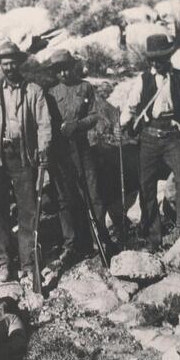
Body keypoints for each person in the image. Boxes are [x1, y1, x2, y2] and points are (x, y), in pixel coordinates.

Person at [119, 34, 180, 249]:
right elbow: (130, 107)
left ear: (168, 57)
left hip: (173, 135)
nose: (156, 63)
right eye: (153, 59)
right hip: (149, 137)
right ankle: (152, 235)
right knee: (146, 184)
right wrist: (122, 123)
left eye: (161, 58)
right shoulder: (142, 80)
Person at [0, 41, 51, 284]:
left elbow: (44, 123)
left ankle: (28, 263)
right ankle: (3, 263)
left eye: (13, 62)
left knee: (28, 210)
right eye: (5, 63)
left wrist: (43, 149)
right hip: (0, 158)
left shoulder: (33, 90)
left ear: (19, 63)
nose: (9, 66)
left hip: (24, 157)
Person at [45, 49, 116, 266]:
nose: (64, 73)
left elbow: (95, 115)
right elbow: (43, 121)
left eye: (66, 68)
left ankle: (99, 238)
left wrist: (78, 125)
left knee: (92, 193)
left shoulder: (85, 87)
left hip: (82, 147)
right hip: (60, 151)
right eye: (59, 70)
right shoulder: (49, 93)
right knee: (65, 198)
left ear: (73, 67)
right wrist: (59, 129)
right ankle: (72, 244)